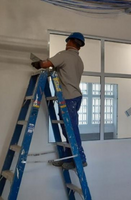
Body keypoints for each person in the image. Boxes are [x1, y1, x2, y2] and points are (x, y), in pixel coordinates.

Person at [31, 32, 87, 170]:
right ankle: (69, 158)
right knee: (68, 129)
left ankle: (81, 159)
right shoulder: (79, 61)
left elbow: (46, 64)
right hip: (75, 97)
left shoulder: (64, 55)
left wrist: (37, 63)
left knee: (71, 129)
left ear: (70, 42)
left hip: (68, 97)